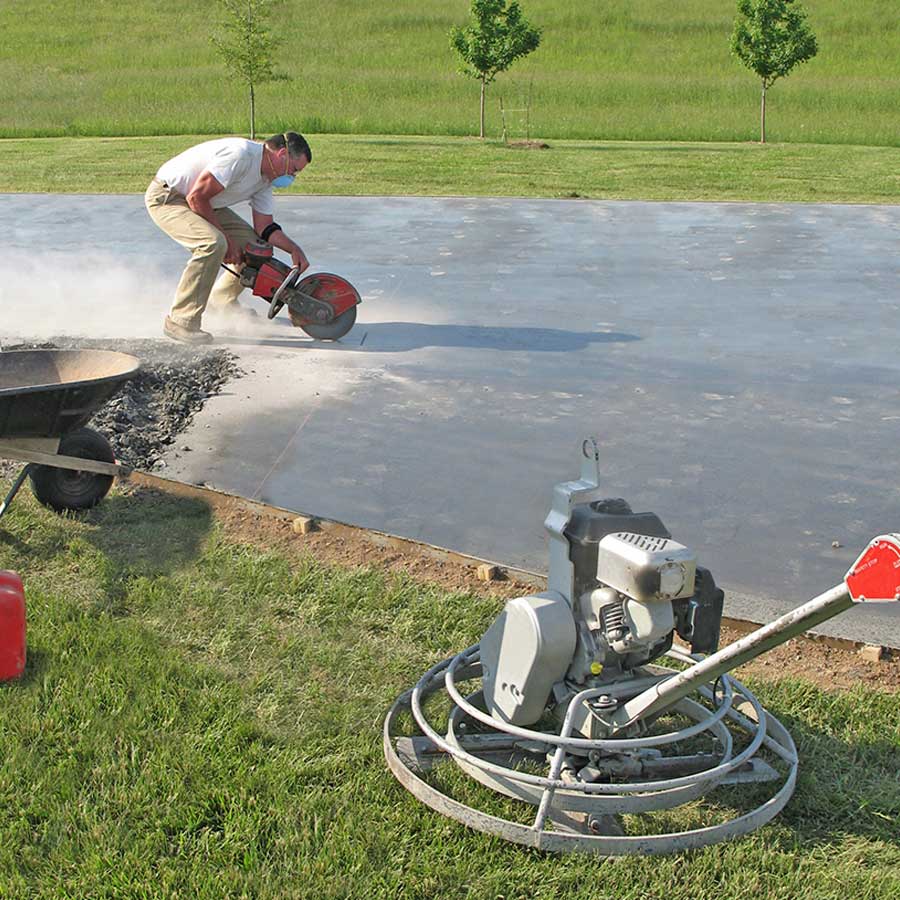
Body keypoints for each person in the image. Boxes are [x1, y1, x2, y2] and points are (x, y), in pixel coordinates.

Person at [145, 132, 312, 344]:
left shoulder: (265, 180)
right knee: (213, 243)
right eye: (294, 170)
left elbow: (265, 227)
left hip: (204, 202)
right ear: (281, 154)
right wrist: (228, 242)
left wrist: (294, 249)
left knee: (256, 248)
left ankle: (222, 300)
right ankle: (181, 321)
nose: (293, 177)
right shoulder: (241, 156)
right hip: (169, 197)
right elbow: (196, 197)